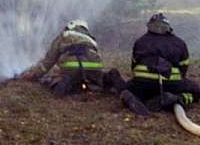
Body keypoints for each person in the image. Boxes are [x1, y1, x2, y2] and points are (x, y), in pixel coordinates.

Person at [20, 19, 150, 115]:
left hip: (71, 69)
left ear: (70, 27)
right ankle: (123, 91)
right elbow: (95, 57)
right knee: (106, 75)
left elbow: (48, 62)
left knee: (53, 79)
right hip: (94, 70)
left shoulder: (64, 36)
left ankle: (66, 85)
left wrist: (33, 75)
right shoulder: (90, 39)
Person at [123, 12, 200, 112]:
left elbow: (134, 65)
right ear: (168, 28)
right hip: (170, 84)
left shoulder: (140, 41)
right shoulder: (179, 43)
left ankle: (136, 98)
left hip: (142, 85)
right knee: (195, 91)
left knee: (128, 88)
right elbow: (183, 67)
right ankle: (177, 98)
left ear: (149, 27)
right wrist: (178, 83)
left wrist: (141, 82)